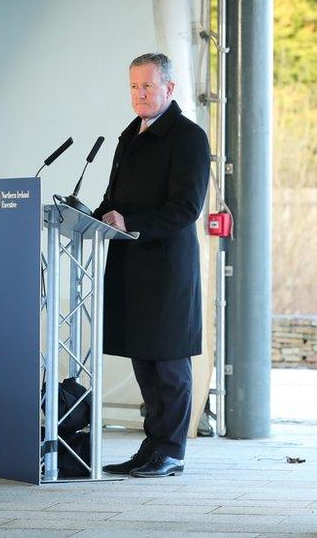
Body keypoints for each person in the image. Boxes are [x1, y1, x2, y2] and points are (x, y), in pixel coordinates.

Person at [95, 53, 210, 478]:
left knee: (168, 364)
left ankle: (172, 450)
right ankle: (151, 446)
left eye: (147, 86)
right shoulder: (129, 136)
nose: (139, 94)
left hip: (167, 271)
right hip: (129, 266)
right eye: (133, 87)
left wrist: (132, 223)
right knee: (144, 360)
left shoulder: (188, 138)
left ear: (169, 89)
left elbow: (186, 208)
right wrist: (94, 216)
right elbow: (115, 198)